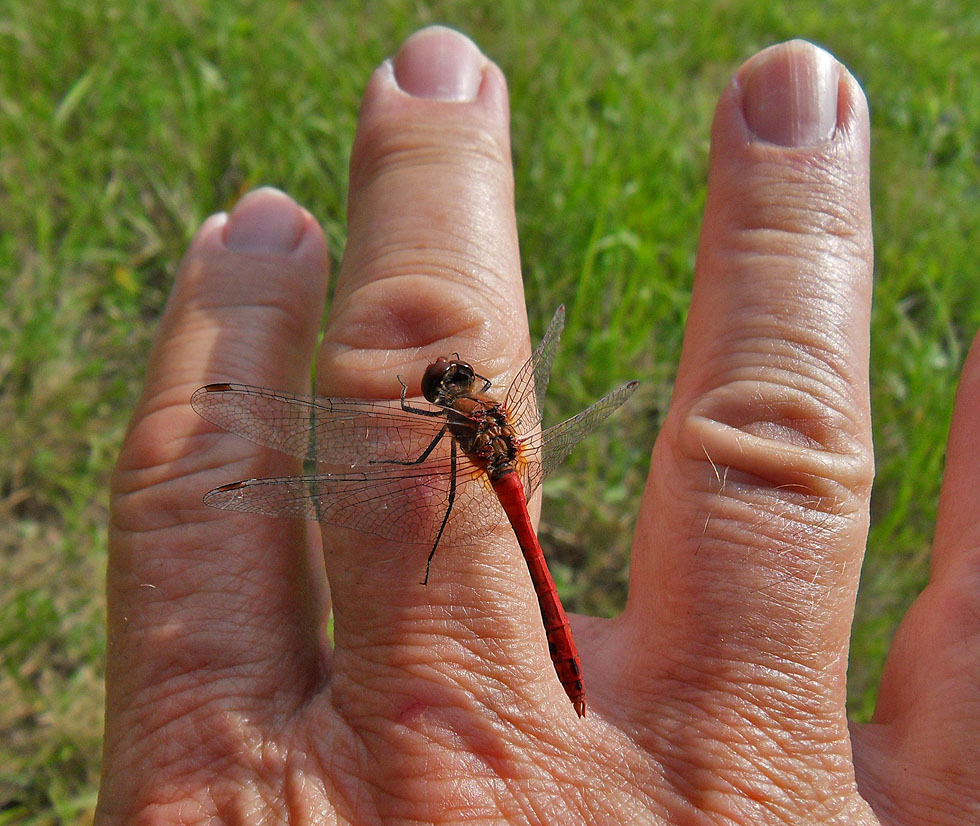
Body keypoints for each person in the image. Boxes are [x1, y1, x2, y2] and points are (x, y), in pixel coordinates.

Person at [96, 25, 980, 824]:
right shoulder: (485, 417)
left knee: (458, 517)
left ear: (449, 398)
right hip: (504, 477)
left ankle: (560, 669)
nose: (447, 380)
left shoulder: (446, 423)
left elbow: (426, 480)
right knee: (494, 523)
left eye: (446, 380)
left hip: (493, 487)